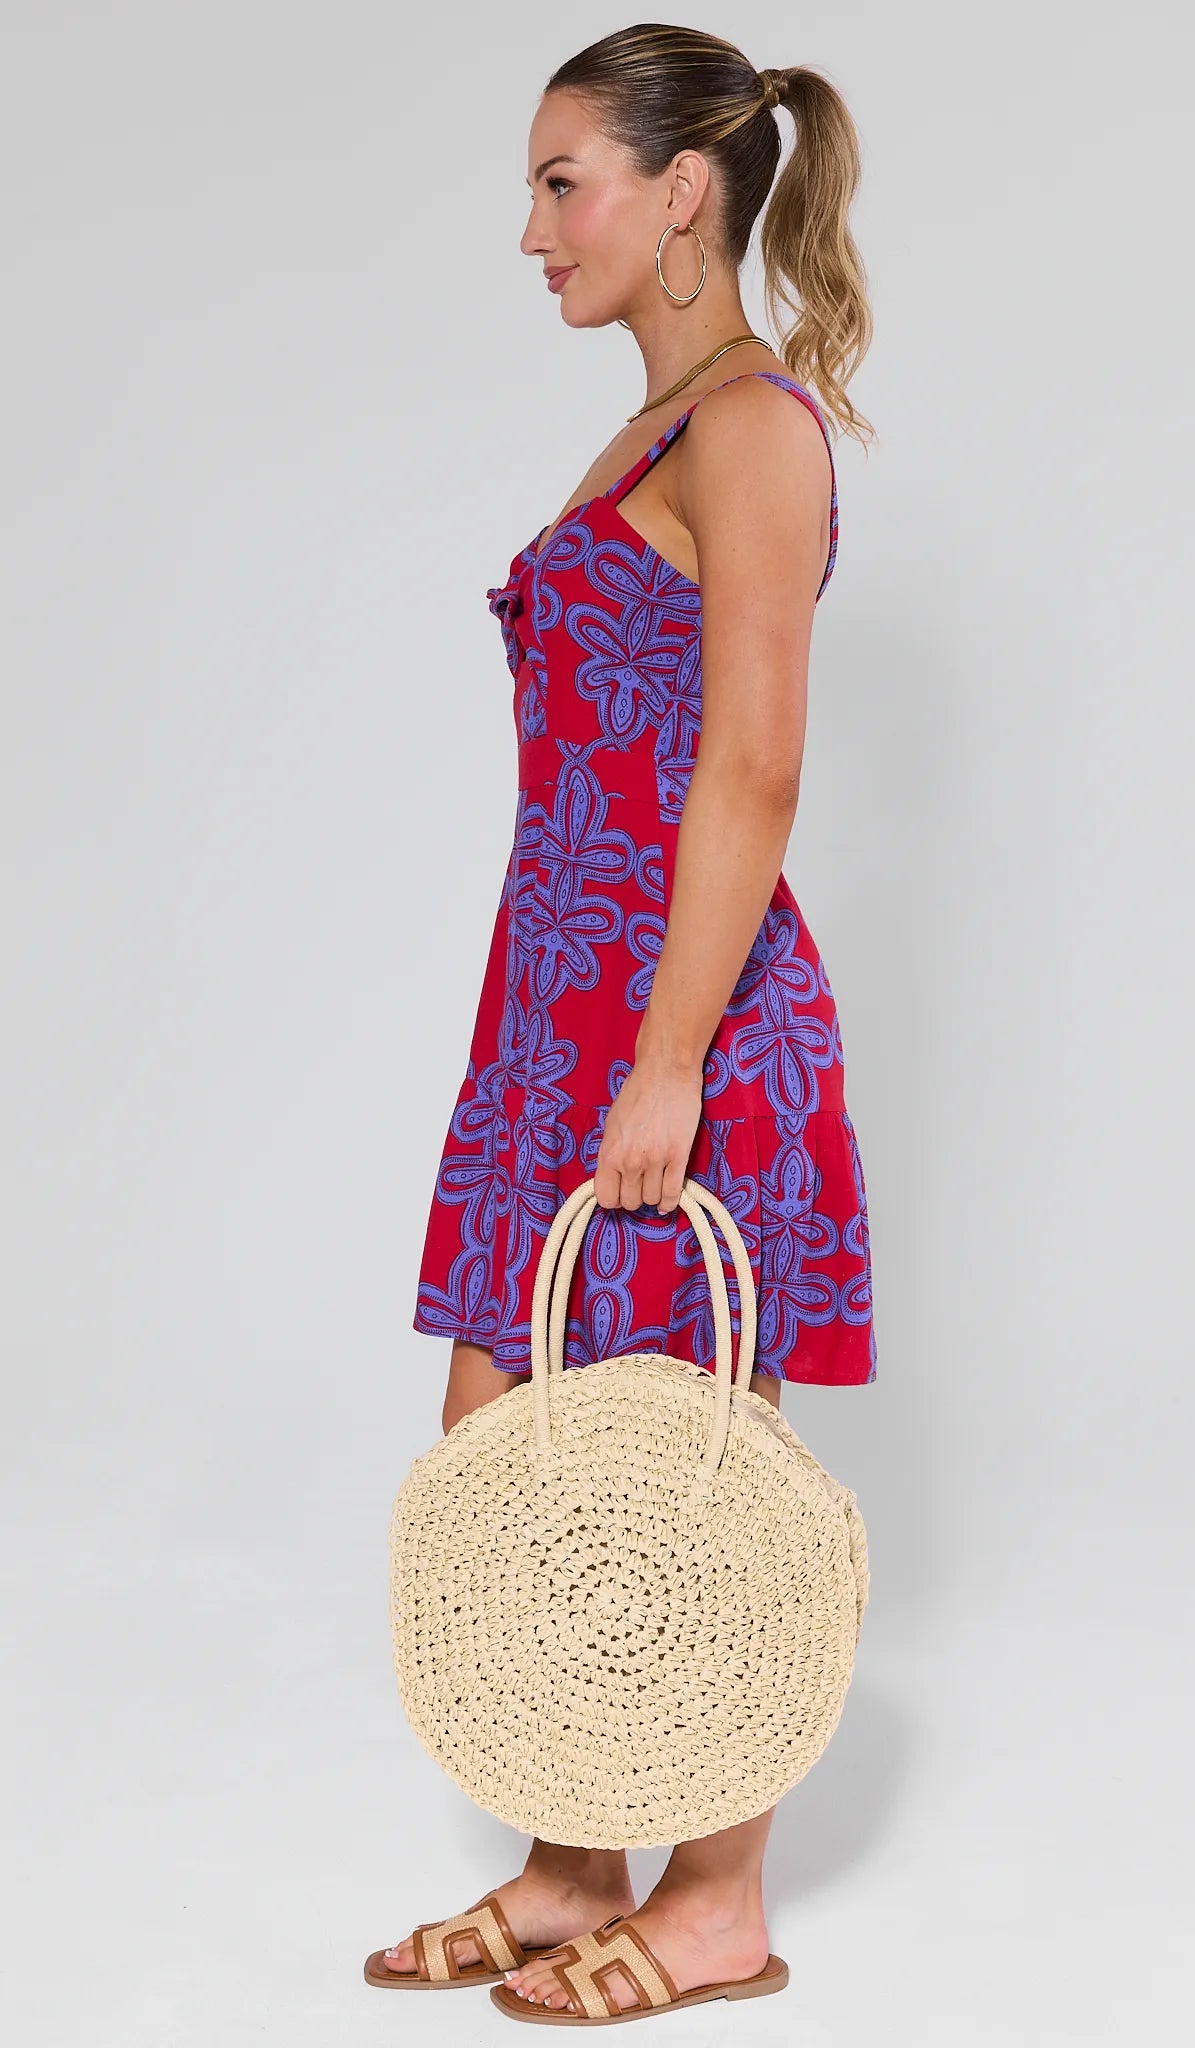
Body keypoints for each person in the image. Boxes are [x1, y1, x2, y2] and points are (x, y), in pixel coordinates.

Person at [370, 22, 878, 2023]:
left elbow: (749, 767)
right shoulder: (652, 431)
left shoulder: (751, 429)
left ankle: (717, 1899)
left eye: (560, 180)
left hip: (681, 1015)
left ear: (683, 194)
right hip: (555, 1017)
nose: (529, 229)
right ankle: (581, 1861)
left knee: (688, 1472)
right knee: (516, 1458)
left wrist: (666, 1056)